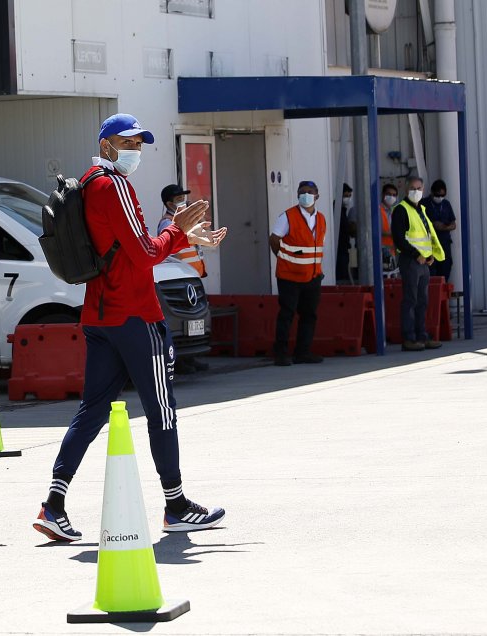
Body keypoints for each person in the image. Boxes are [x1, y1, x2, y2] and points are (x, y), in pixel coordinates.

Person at [32, 113, 227, 542]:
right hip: (135, 314)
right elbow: (144, 253)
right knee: (161, 409)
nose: (135, 150)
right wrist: (178, 230)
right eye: (128, 143)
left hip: (101, 313)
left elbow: (124, 248)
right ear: (106, 145)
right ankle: (176, 505)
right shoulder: (115, 185)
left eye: (139, 144)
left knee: (92, 410)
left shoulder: (88, 182)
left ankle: (54, 504)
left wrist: (184, 236)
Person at [269, 181, 327, 367]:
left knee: (309, 315)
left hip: (313, 276)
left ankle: (303, 352)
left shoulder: (321, 219)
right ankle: (281, 354)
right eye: (302, 192)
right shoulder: (288, 216)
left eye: (309, 192)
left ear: (317, 195)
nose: (305, 195)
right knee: (287, 315)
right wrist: (283, 257)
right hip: (289, 276)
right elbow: (274, 240)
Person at [158, 183, 208, 373]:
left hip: (190, 278)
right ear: (169, 203)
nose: (183, 201)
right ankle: (179, 362)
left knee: (193, 322)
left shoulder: (184, 222)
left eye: (183, 197)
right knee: (179, 323)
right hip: (177, 280)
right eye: (179, 199)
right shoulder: (168, 224)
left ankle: (190, 359)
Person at [391, 176, 445, 352]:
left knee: (422, 300)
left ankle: (421, 335)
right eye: (413, 188)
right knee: (411, 299)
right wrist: (416, 255)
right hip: (411, 261)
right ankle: (409, 338)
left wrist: (430, 255)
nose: (416, 191)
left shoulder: (421, 209)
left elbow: (426, 236)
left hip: (423, 262)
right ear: (406, 190)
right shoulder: (401, 210)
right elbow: (399, 239)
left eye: (419, 188)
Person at [422, 179, 457, 281]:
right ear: (432, 192)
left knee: (445, 268)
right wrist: (432, 225)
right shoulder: (424, 203)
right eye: (438, 195)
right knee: (430, 271)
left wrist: (444, 227)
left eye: (442, 195)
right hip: (429, 244)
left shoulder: (446, 204)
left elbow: (453, 224)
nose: (440, 197)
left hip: (444, 243)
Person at [335, 183, 355, 282]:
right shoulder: (336, 209)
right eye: (346, 196)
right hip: (339, 249)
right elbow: (344, 228)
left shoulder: (342, 210)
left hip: (343, 249)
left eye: (349, 196)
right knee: (342, 278)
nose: (348, 199)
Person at [380, 183, 399, 276]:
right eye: (389, 194)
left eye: (394, 195)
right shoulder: (377, 210)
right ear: (383, 195)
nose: (391, 197)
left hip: (392, 252)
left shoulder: (394, 211)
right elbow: (377, 231)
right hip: (380, 252)